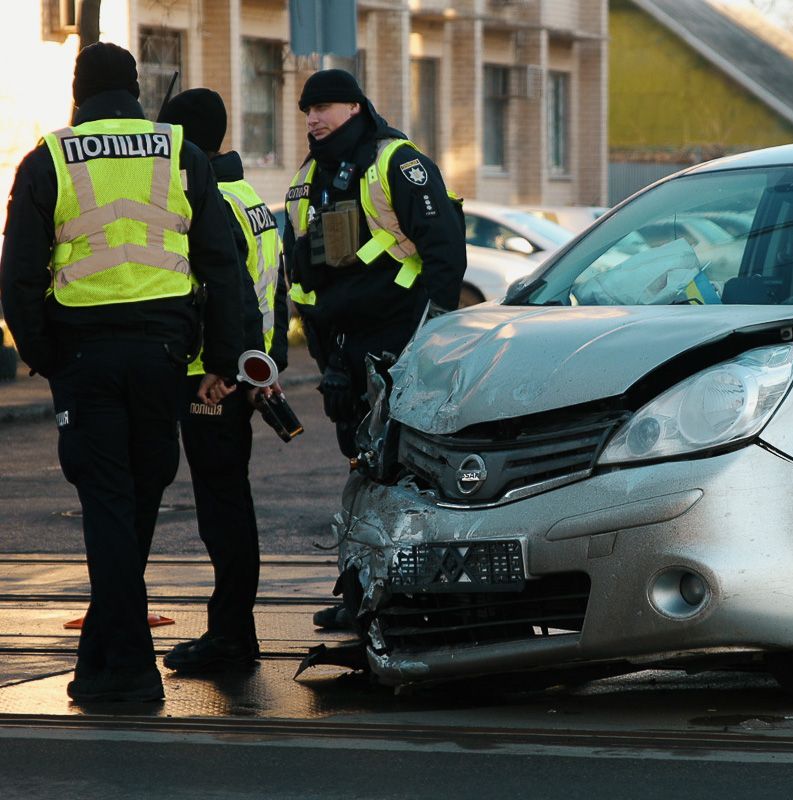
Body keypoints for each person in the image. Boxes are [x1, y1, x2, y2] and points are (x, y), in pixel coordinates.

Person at [0, 43, 243, 702]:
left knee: (108, 505)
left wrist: (46, 356)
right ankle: (100, 659)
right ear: (137, 89)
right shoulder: (180, 153)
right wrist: (224, 360)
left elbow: (19, 275)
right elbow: (222, 264)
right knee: (135, 503)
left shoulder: (49, 157)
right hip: (164, 357)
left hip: (85, 356)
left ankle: (130, 671)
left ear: (78, 92)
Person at [283, 69, 467, 631]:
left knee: (410, 474)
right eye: (306, 110)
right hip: (344, 350)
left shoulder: (395, 162)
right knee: (362, 470)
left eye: (324, 107)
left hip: (402, 341)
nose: (313, 119)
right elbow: (303, 271)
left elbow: (444, 253)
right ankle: (363, 591)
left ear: (355, 107)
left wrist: (431, 341)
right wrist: (327, 358)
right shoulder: (308, 177)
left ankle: (425, 597)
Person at [157, 88, 288, 672]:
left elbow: (228, 291)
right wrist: (266, 368)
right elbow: (277, 296)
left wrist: (227, 368)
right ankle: (235, 633)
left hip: (211, 378)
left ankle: (232, 637)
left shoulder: (207, 195)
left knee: (222, 509)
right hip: (243, 370)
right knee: (229, 500)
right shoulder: (247, 195)